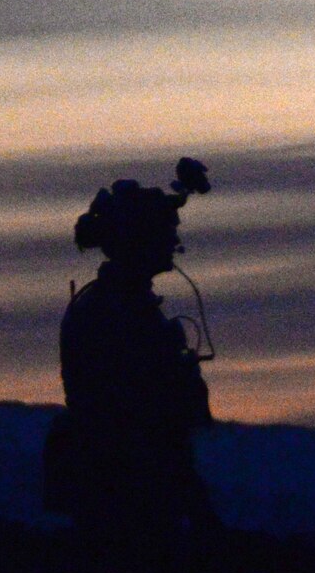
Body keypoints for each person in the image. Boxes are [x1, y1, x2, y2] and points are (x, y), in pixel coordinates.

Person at [44, 160, 217, 543]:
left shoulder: (119, 305)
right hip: (125, 486)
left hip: (131, 482)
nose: (174, 243)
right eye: (164, 233)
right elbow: (139, 412)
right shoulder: (114, 311)